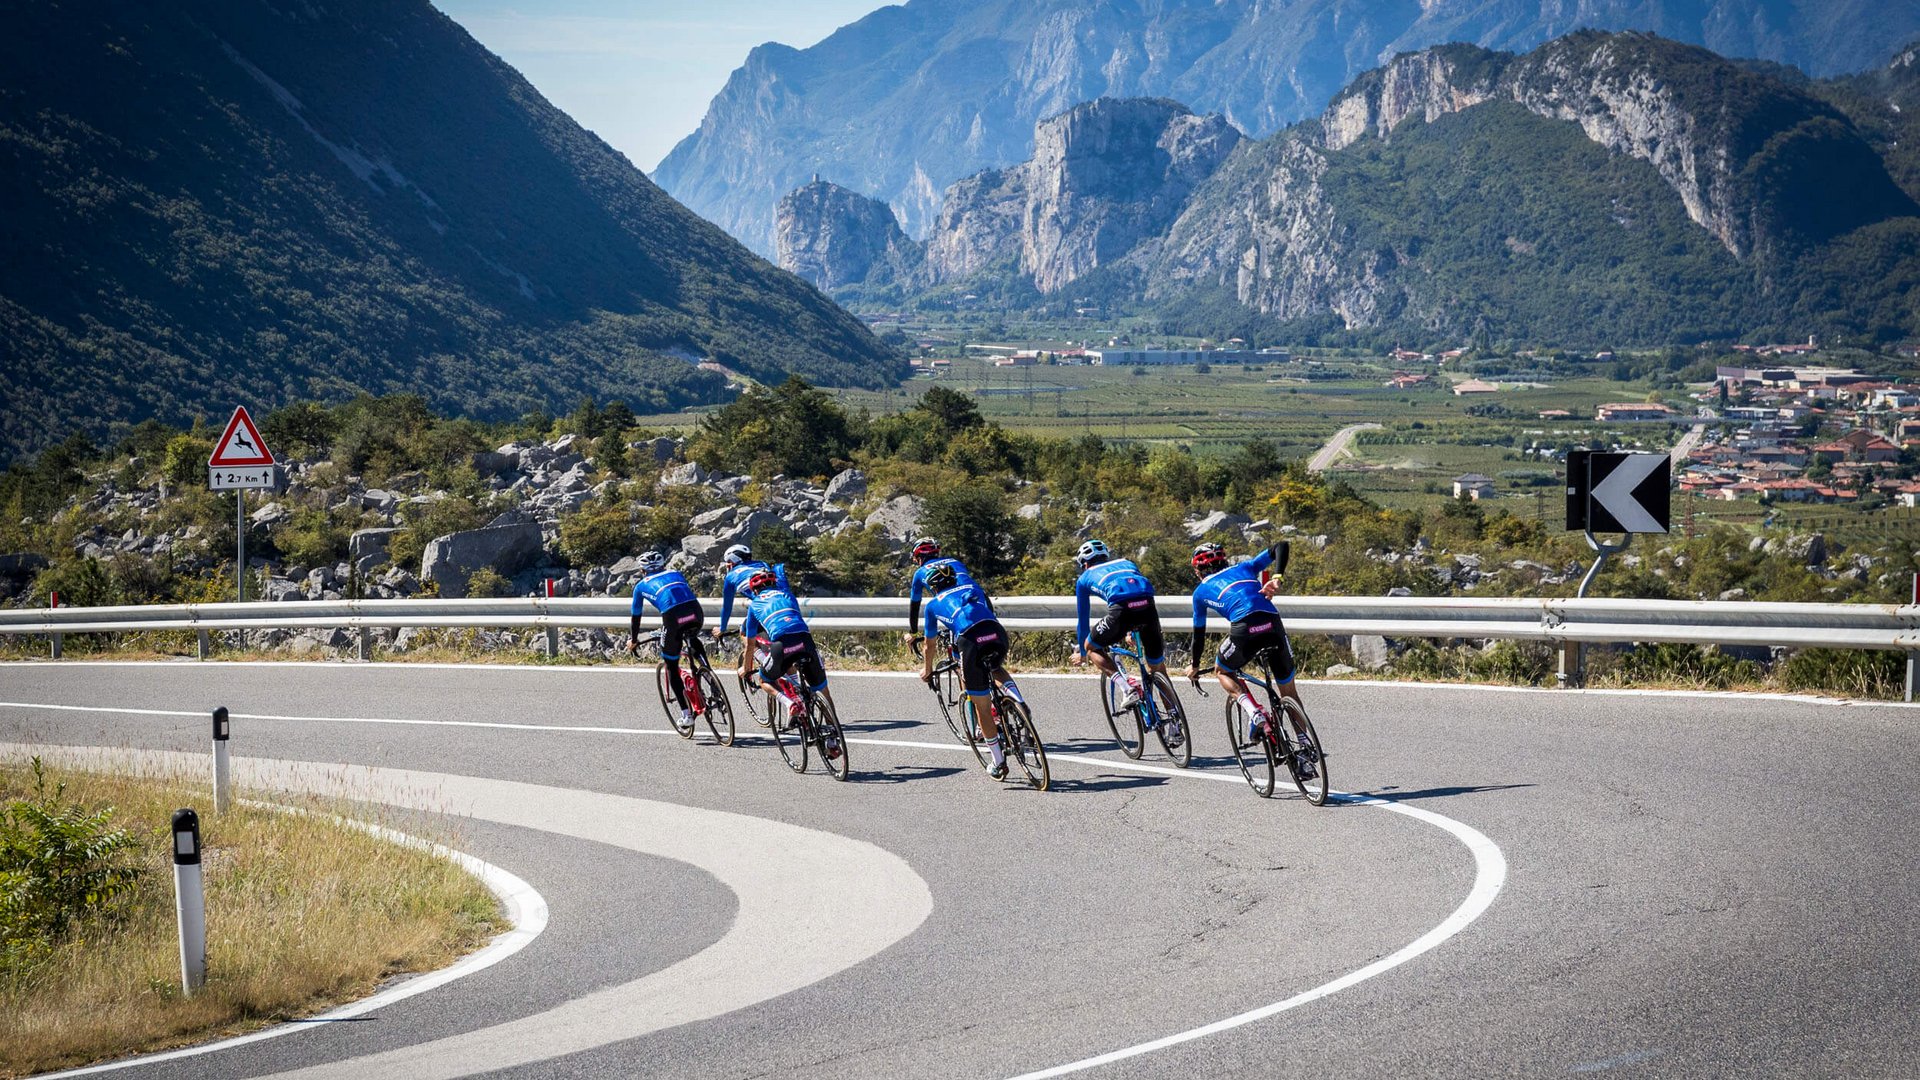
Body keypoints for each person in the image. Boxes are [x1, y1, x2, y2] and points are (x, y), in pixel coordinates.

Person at [1184, 540, 1315, 778]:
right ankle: (1305, 750)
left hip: (1245, 630)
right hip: (1273, 625)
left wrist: (1194, 666)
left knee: (1222, 670)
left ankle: (1253, 711)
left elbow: (1198, 636)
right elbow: (1281, 545)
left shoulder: (1200, 592)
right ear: (1225, 560)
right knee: (1289, 693)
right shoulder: (1246, 568)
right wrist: (1277, 578)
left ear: (1197, 571)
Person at [915, 561, 1019, 780]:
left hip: (970, 640)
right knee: (996, 667)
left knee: (981, 704)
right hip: (996, 632)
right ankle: (1018, 700)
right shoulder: (973, 588)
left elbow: (929, 645)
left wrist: (927, 670)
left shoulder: (933, 604)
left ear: (933, 587)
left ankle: (998, 762)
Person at [737, 565, 841, 759]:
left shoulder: (754, 605)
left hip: (781, 645)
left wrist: (746, 667)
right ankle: (833, 739)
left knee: (764, 680)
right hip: (805, 641)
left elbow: (750, 645)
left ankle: (789, 703)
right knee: (823, 691)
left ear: (754, 590)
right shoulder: (787, 595)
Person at [1069, 538, 1166, 711]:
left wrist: (1083, 654)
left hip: (1121, 612)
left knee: (1091, 646)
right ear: (1106, 557)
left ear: (1084, 564)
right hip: (1149, 609)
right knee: (1158, 668)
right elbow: (1135, 595)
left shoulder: (1084, 579)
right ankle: (1175, 722)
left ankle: (1127, 689)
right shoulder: (1127, 563)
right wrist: (1130, 630)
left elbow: (1083, 622)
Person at [624, 551, 703, 734]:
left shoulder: (640, 586)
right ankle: (706, 671)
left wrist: (634, 641)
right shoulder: (676, 573)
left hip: (672, 617)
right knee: (692, 636)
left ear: (642, 570)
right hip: (695, 611)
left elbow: (636, 616)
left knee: (671, 666)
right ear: (663, 566)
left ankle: (686, 715)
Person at [903, 537, 979, 642]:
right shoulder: (955, 561)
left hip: (955, 605)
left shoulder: (920, 572)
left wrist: (913, 633)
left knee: (960, 646)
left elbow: (915, 606)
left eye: (916, 558)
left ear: (920, 557)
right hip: (979, 596)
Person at [715, 543, 773, 637]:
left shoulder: (731, 576)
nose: (728, 564)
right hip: (781, 599)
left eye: (729, 561)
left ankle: (757, 652)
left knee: (744, 632)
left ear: (734, 559)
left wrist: (722, 628)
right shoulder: (763, 564)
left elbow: (727, 608)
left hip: (763, 606)